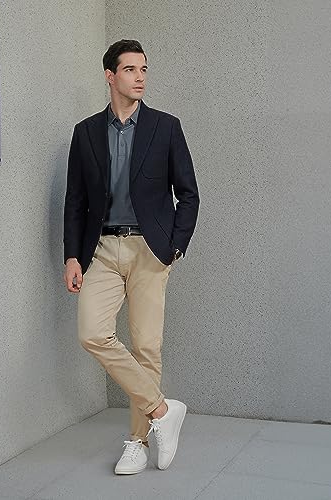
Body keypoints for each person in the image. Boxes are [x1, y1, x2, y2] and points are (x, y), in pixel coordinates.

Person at [63, 39, 199, 474]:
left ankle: (138, 442)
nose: (140, 77)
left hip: (149, 250)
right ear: (110, 76)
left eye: (144, 69)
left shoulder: (166, 127)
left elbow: (189, 194)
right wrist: (72, 256)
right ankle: (163, 410)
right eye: (130, 70)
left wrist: (174, 247)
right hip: (101, 250)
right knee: (92, 333)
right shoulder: (86, 132)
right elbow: (75, 200)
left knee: (146, 347)